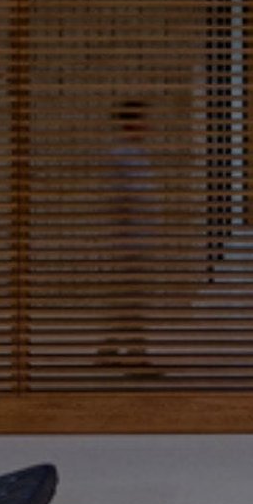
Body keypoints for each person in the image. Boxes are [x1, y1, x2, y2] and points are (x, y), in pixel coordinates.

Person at [98, 97, 162, 377]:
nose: (148, 124)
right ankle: (137, 357)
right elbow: (118, 199)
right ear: (130, 123)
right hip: (130, 240)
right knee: (133, 300)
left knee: (125, 298)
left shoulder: (138, 155)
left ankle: (108, 349)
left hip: (138, 238)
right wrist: (124, 240)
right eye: (142, 119)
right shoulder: (122, 156)